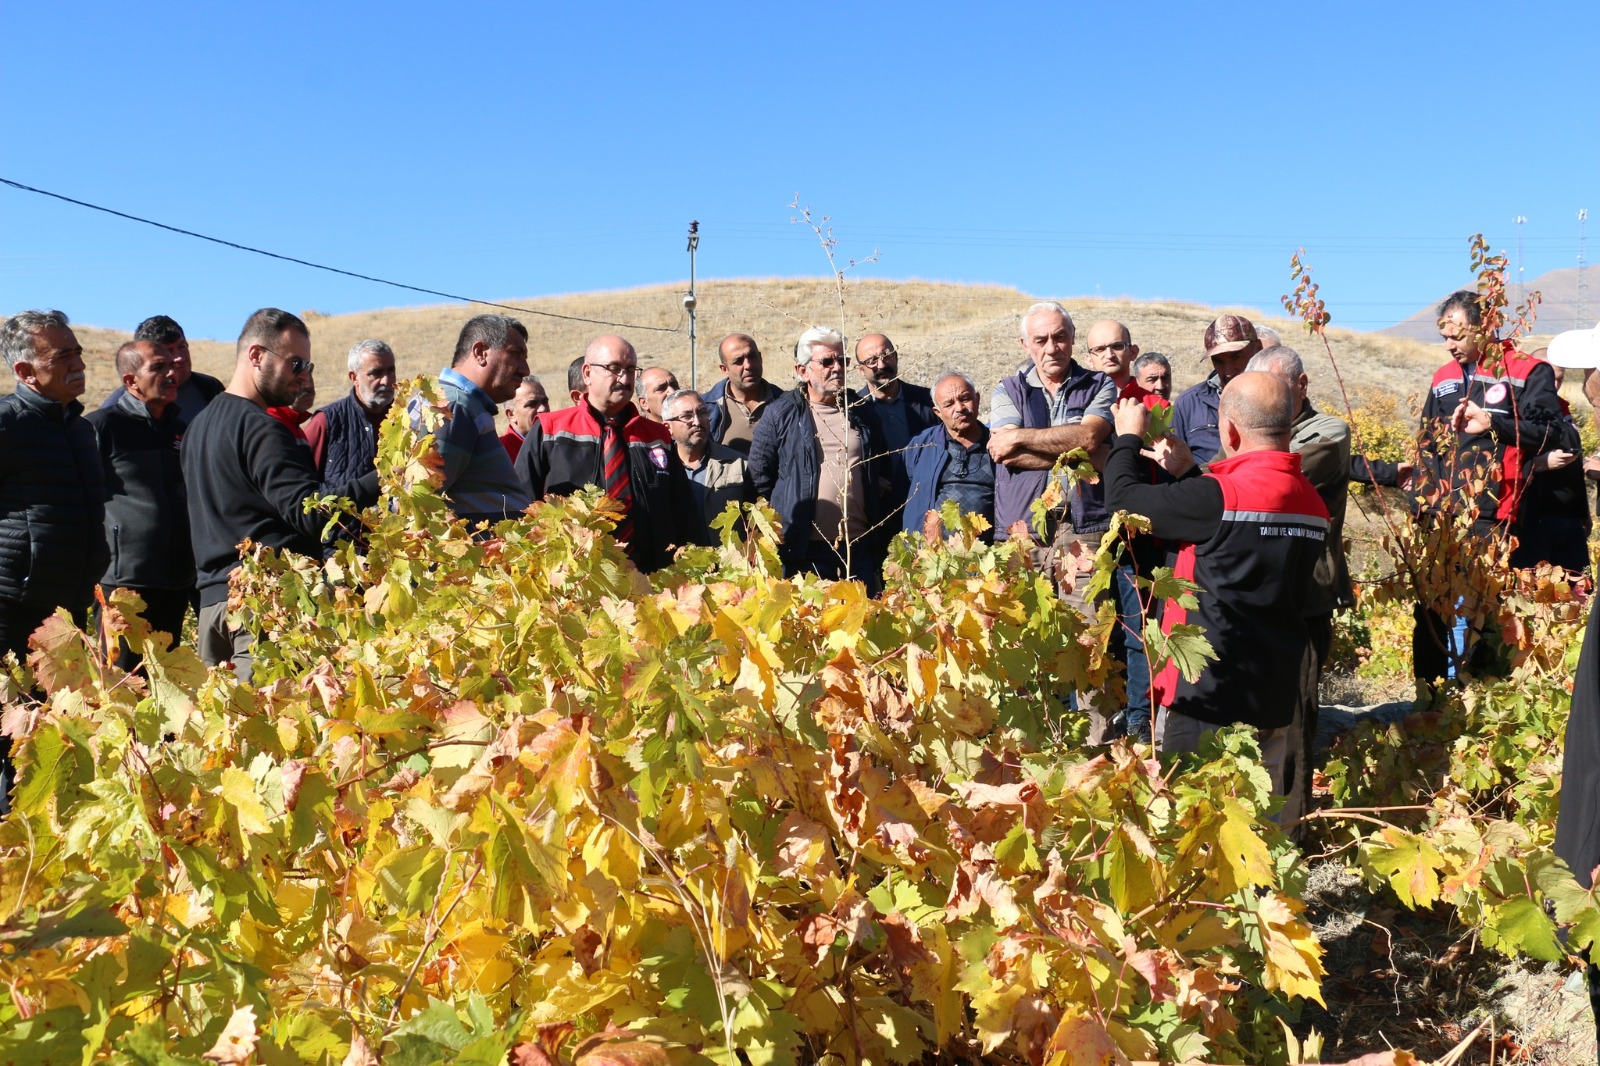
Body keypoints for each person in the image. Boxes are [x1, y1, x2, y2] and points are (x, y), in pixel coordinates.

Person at [1105, 372, 1329, 800]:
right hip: (1274, 697)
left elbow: (1122, 503)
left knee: (1193, 832)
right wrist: (1191, 473)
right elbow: (1234, 545)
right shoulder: (1310, 500)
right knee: (1257, 834)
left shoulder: (1218, 498)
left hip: (1205, 699)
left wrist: (1127, 439)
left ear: (1229, 429)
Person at [182, 308, 380, 681]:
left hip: (213, 607)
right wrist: (382, 479)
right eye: (295, 362)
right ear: (256, 356)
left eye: (309, 364)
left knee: (227, 733)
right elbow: (308, 512)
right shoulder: (261, 428)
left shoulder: (198, 427)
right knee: (273, 729)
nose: (303, 374)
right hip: (263, 609)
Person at [1411, 291, 1565, 682]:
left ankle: (1481, 698)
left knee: (1489, 611)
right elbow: (1427, 446)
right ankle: (1427, 703)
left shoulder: (1529, 370)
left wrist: (1495, 424)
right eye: (1444, 337)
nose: (1449, 346)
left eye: (1457, 336)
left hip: (1498, 516)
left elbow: (1551, 433)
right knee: (1430, 611)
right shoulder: (1443, 379)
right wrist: (1421, 503)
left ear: (1486, 327)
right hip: (1442, 518)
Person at [0, 310, 108, 814]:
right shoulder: (6, 423)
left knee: (59, 735)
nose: (77, 362)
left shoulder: (82, 431)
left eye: (77, 351)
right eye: (61, 355)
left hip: (67, 616)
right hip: (11, 612)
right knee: (12, 739)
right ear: (25, 372)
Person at [1247, 345, 1355, 819]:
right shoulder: (1268, 433)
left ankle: (1291, 833)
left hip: (1304, 594)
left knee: (1294, 717)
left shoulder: (1327, 434)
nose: (1266, 401)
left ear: (1302, 385)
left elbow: (1272, 477)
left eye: (1275, 390)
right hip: (1256, 591)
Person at [517, 335, 704, 572]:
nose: (624, 378)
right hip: (575, 581)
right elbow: (520, 505)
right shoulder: (550, 430)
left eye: (630, 369)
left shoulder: (657, 437)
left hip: (651, 582)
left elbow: (684, 511)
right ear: (587, 373)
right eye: (614, 368)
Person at [85, 340, 194, 672]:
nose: (171, 373)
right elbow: (85, 499)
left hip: (177, 579)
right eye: (158, 368)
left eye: (171, 366)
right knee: (121, 680)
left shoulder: (182, 429)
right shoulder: (102, 426)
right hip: (125, 582)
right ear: (131, 381)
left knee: (165, 679)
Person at [749, 326, 885, 585]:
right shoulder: (781, 414)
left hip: (857, 546)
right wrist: (787, 503)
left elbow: (878, 463)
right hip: (804, 549)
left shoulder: (862, 412)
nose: (837, 368)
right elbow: (759, 475)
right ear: (803, 371)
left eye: (842, 361)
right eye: (826, 361)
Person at [418, 314, 535, 525]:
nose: (525, 369)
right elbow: (421, 502)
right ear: (480, 352)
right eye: (516, 354)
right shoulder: (455, 406)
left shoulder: (456, 403)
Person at [854, 333, 936, 531]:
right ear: (860, 370)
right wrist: (870, 478)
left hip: (928, 508)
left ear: (896, 357)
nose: (882, 365)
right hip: (878, 516)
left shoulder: (928, 401)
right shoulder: (854, 411)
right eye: (872, 360)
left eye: (887, 355)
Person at [901, 372, 995, 538]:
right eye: (949, 404)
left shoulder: (997, 445)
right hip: (931, 557)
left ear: (977, 399)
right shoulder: (921, 445)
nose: (959, 408)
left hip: (986, 556)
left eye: (965, 399)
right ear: (937, 412)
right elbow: (902, 493)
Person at [100, 314, 225, 424]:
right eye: (168, 351)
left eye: (182, 347)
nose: (179, 358)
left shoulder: (210, 388)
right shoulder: (117, 407)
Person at [1173, 314, 1263, 464]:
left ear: (1258, 349)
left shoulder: (1276, 397)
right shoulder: (1188, 403)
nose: (1228, 371)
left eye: (1236, 357)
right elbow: (1176, 464)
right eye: (1218, 361)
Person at [304, 339, 398, 483]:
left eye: (391, 371)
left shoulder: (409, 420)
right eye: (376, 373)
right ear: (354, 378)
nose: (386, 381)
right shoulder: (326, 421)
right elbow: (301, 484)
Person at [661, 388, 753, 528]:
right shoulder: (659, 470)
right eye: (687, 416)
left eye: (702, 413)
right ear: (668, 428)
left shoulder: (739, 464)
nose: (697, 422)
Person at [705, 333, 786, 454]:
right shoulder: (706, 409)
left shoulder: (786, 404)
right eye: (738, 361)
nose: (748, 365)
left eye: (752, 357)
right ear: (724, 369)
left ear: (760, 358)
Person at [498, 376, 549, 463]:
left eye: (545, 402)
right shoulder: (500, 453)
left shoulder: (557, 442)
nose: (543, 409)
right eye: (532, 404)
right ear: (511, 414)